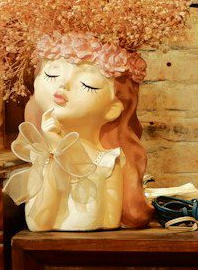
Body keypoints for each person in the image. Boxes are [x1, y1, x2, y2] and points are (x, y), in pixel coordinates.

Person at [9, 38, 150, 232]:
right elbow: (38, 223)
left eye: (87, 85)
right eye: (51, 74)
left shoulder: (108, 161)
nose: (63, 84)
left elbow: (108, 220)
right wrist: (55, 152)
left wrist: (65, 150)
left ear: (113, 109)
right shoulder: (42, 155)